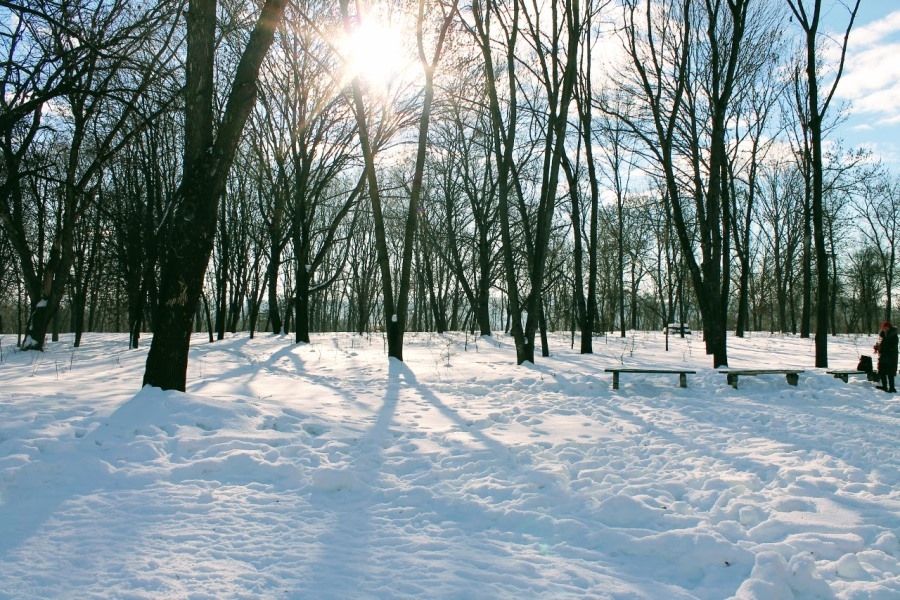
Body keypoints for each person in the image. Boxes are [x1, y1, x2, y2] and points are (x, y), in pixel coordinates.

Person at [873, 321, 898, 392]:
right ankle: (884, 386)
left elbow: (892, 346)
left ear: (889, 327)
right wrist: (877, 347)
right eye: (884, 328)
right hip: (883, 356)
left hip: (891, 356)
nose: (885, 329)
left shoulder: (894, 336)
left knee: (890, 372)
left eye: (887, 327)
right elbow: (879, 343)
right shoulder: (882, 335)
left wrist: (882, 348)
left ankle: (892, 388)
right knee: (882, 371)